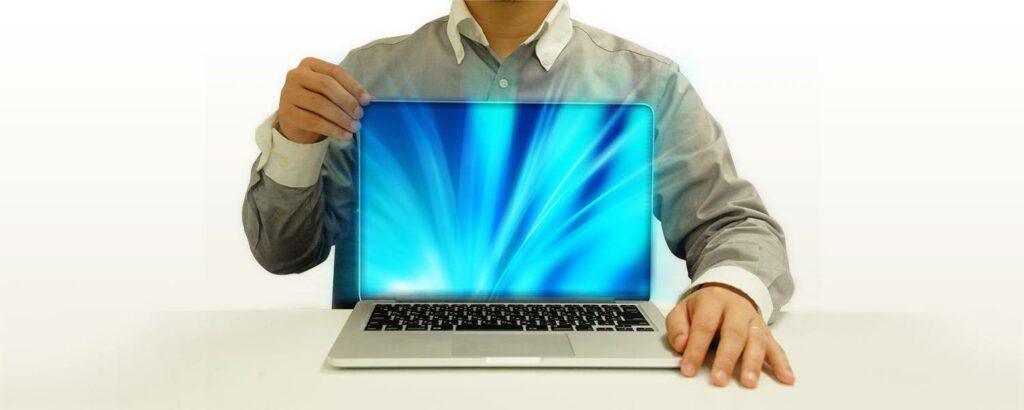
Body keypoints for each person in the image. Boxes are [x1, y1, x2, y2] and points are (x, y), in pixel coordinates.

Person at [242, 0, 795, 388]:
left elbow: (733, 223)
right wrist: (296, 141)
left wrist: (731, 287)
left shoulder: (651, 83)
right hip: (381, 384)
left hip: (600, 387)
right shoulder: (365, 76)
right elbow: (285, 252)